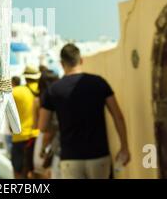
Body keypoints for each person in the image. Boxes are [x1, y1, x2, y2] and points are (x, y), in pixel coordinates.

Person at [39, 43, 130, 179]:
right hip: (99, 155)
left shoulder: (53, 90)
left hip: (70, 158)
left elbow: (43, 126)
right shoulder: (99, 83)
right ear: (81, 60)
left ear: (62, 63)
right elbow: (118, 116)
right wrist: (124, 147)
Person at [11, 66, 41, 179]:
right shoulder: (43, 90)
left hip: (20, 137)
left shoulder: (16, 91)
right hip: (38, 137)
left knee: (19, 173)